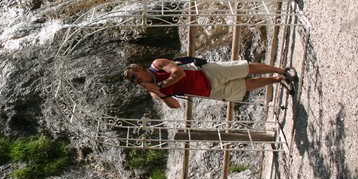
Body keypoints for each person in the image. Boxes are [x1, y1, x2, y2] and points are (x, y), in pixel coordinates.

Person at [124, 58, 297, 109]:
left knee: (244, 68)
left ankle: (281, 70)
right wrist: (160, 93)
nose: (135, 80)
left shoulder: (157, 64)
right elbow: (175, 105)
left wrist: (162, 85)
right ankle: (277, 80)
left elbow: (179, 72)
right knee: (244, 86)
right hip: (207, 91)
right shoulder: (153, 92)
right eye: (132, 81)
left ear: (139, 68)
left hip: (206, 73)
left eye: (134, 76)